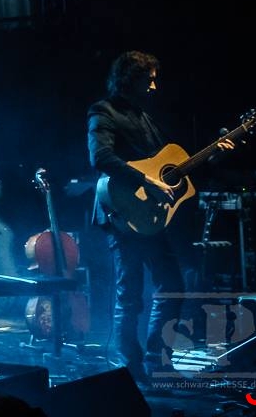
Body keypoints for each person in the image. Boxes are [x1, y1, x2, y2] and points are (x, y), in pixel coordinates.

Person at [87, 50, 232, 384]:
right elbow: (100, 157)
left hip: (151, 217)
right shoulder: (103, 111)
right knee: (130, 294)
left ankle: (156, 358)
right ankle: (130, 366)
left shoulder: (146, 118)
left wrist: (213, 157)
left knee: (172, 286)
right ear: (129, 78)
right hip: (122, 212)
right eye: (148, 79)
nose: (154, 86)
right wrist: (146, 182)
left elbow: (173, 170)